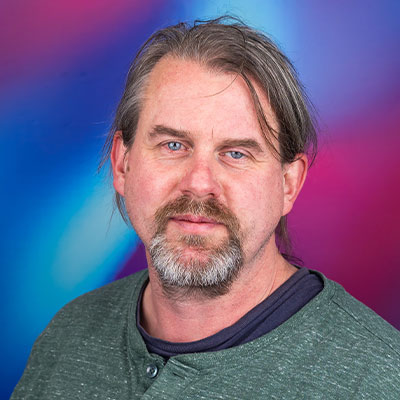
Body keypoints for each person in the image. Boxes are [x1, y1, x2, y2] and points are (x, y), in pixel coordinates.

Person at [12, 17, 400, 399]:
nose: (199, 182)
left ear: (289, 183)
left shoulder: (378, 377)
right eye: (173, 146)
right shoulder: (66, 337)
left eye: (235, 153)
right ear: (122, 165)